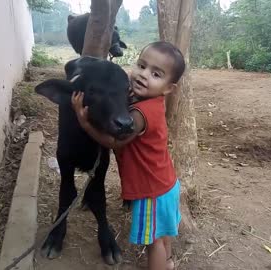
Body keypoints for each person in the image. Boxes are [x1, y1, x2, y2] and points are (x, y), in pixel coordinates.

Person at [71, 41, 186, 270]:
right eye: (141, 66)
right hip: (166, 184)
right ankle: (169, 263)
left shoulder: (141, 114)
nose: (144, 75)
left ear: (168, 88)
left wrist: (84, 123)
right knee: (163, 232)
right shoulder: (154, 102)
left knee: (153, 242)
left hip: (150, 189)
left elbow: (113, 141)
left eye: (155, 74)